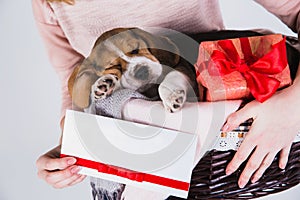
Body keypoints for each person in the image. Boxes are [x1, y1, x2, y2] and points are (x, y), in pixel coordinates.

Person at [33, 0, 300, 198]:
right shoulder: (49, 3)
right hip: (129, 166)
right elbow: (73, 79)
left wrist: (292, 105)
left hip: (217, 155)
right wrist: (69, 145)